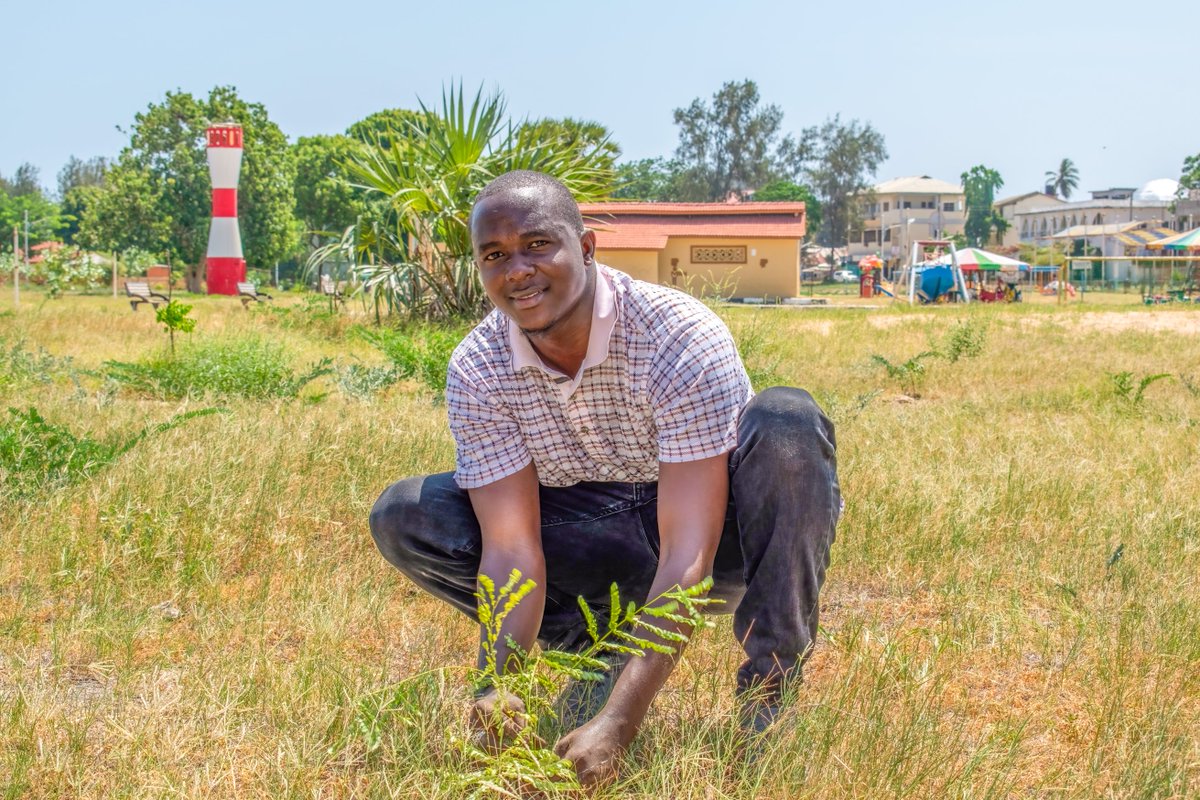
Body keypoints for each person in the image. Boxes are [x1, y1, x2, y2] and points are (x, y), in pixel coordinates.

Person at [368, 171, 840, 786]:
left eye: (538, 245)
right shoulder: (479, 368)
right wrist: (498, 683)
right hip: (598, 538)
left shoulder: (676, 334)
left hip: (716, 541)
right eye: (495, 255)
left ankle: (769, 692)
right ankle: (593, 654)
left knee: (787, 423)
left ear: (587, 248)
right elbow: (511, 549)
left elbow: (687, 554)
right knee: (407, 512)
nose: (517, 270)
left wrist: (620, 724)